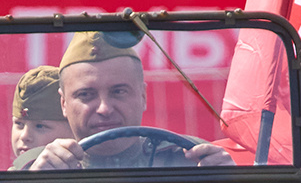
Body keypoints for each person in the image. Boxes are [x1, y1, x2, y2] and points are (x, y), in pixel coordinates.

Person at [20, 31, 234, 171]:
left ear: (143, 96)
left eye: (118, 92)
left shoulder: (191, 159)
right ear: (64, 104)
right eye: (86, 95)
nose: (104, 108)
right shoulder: (36, 167)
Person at [9, 64, 73, 162]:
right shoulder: (8, 176)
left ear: (72, 129)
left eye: (39, 126)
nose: (24, 136)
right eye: (19, 124)